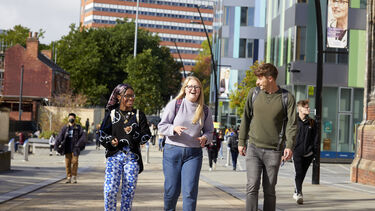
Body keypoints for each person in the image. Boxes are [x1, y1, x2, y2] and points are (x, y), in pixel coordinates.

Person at [238, 63, 297, 211]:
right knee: (252, 186)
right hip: (253, 149)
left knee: (269, 190)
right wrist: (241, 141)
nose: (257, 82)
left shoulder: (286, 98)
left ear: (270, 78)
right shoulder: (254, 93)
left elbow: (292, 124)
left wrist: (289, 146)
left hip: (273, 151)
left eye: (260, 78)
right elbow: (245, 118)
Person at [158, 76, 214, 211]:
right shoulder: (175, 104)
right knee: (172, 191)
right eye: (190, 86)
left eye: (196, 87)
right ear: (185, 89)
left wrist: (205, 138)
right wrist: (173, 129)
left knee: (190, 192)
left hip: (193, 154)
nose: (193, 89)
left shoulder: (205, 110)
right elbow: (161, 126)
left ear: (200, 90)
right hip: (172, 151)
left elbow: (210, 132)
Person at [99, 84, 151, 211]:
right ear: (118, 96)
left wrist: (133, 132)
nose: (131, 99)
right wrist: (111, 140)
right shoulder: (111, 114)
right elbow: (101, 134)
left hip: (132, 158)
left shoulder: (139, 115)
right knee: (110, 190)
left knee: (128, 193)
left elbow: (146, 136)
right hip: (114, 156)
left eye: (133, 96)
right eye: (127, 96)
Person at [292, 100, 318, 204]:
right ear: (300, 109)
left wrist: (315, 154)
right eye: (306, 107)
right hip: (297, 152)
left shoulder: (312, 122)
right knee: (298, 172)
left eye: (308, 107)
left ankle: (296, 190)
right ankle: (299, 193)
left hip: (308, 154)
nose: (309, 109)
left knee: (302, 174)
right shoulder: (293, 121)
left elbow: (316, 139)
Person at [55, 113, 86, 184]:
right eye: (70, 118)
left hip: (75, 148)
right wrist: (57, 145)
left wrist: (79, 144)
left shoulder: (78, 128)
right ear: (68, 118)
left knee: (75, 162)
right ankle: (68, 177)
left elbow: (83, 137)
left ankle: (74, 176)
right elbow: (60, 136)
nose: (71, 119)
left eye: (72, 118)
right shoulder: (65, 128)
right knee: (67, 163)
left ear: (75, 119)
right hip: (67, 147)